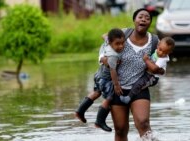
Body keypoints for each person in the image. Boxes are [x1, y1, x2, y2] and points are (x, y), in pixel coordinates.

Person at [100, 8, 163, 141]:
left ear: (150, 23)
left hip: (139, 87)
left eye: (147, 18)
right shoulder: (123, 34)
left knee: (143, 123)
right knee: (120, 129)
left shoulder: (154, 41)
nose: (144, 19)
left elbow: (161, 62)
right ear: (134, 20)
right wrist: (103, 59)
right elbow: (105, 45)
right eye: (140, 17)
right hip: (117, 88)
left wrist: (158, 70)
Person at [75, 28, 125, 132]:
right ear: (111, 43)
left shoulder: (107, 42)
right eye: (117, 44)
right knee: (110, 98)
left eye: (122, 43)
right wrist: (116, 85)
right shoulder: (113, 55)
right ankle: (100, 121)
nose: (120, 46)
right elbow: (113, 71)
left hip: (99, 75)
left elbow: (104, 35)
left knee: (96, 92)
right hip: (107, 79)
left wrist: (108, 37)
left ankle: (80, 111)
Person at [120, 37, 175, 104]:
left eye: (165, 52)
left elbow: (154, 69)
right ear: (158, 45)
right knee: (136, 81)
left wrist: (146, 60)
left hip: (152, 77)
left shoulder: (162, 59)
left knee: (139, 84)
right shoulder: (155, 51)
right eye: (160, 49)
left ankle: (128, 98)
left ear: (169, 52)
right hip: (148, 73)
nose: (161, 53)